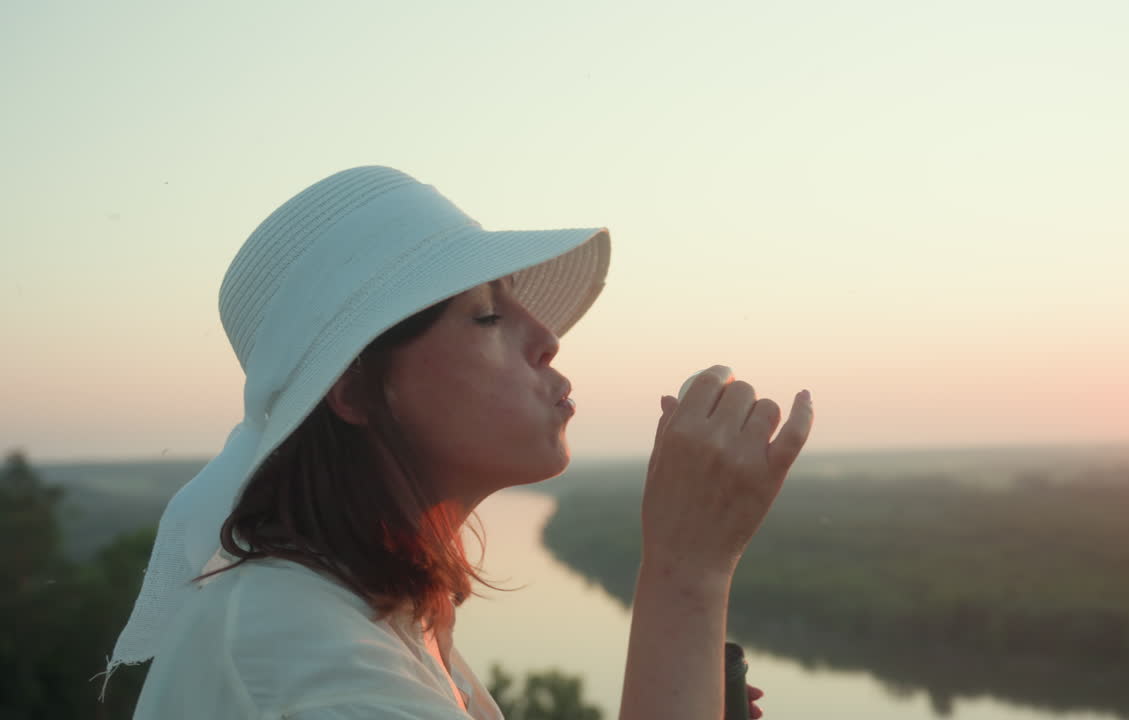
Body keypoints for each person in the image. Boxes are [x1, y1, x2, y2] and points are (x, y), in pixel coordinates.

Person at [99, 166, 814, 719]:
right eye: (485, 317)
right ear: (354, 393)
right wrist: (687, 572)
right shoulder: (302, 653)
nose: (547, 339)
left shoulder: (382, 623)